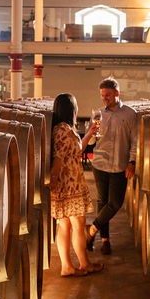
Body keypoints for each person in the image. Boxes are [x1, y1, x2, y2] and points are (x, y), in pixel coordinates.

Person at [50, 93, 103, 276]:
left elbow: (77, 149)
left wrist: (89, 134)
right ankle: (83, 264)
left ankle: (68, 266)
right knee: (78, 224)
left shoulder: (61, 128)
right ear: (71, 109)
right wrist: (53, 184)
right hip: (68, 186)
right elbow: (58, 160)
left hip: (67, 185)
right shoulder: (64, 130)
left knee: (64, 225)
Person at [86, 77, 137, 254]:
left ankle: (91, 229)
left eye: (107, 95)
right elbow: (91, 141)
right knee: (102, 201)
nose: (104, 98)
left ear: (116, 93)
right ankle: (105, 240)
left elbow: (134, 141)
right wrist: (93, 131)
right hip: (100, 163)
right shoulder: (98, 114)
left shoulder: (130, 114)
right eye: (102, 95)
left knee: (115, 203)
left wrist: (132, 162)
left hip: (119, 165)